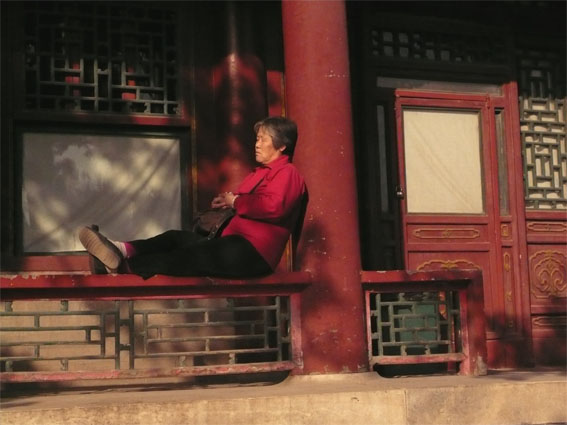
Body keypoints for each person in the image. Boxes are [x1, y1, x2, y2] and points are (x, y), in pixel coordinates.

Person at [78, 116, 307, 279]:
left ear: (282, 145)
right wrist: (227, 203)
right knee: (175, 238)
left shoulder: (288, 173)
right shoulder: (259, 173)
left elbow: (273, 206)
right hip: (230, 242)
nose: (257, 144)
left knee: (188, 256)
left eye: (263, 139)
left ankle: (122, 267)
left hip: (253, 252)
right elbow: (246, 203)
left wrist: (236, 202)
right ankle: (121, 249)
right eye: (257, 139)